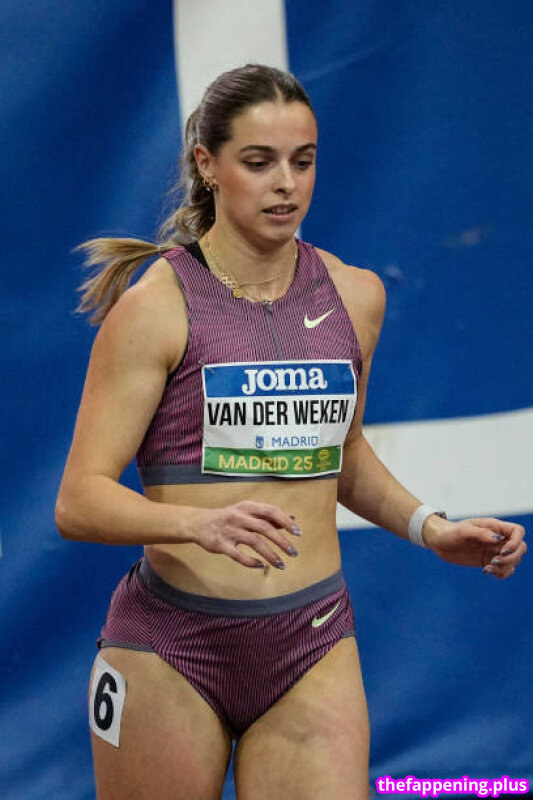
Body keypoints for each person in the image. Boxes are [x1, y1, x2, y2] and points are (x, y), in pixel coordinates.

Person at [55, 64, 526, 800]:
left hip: (311, 642)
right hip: (170, 648)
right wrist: (197, 524)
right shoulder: (155, 308)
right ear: (207, 165)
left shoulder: (354, 295)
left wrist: (430, 528)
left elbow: (341, 455)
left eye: (302, 161)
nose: (285, 184)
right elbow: (78, 501)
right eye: (259, 162)